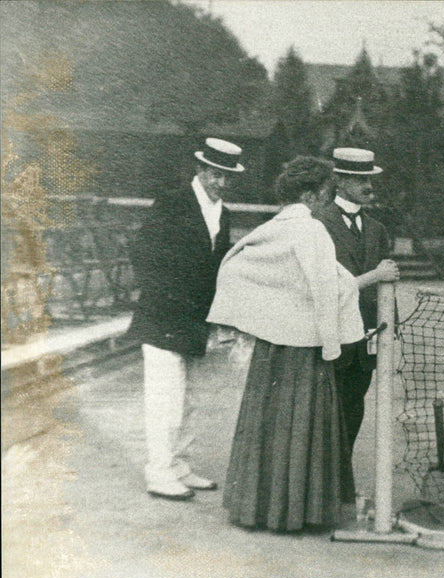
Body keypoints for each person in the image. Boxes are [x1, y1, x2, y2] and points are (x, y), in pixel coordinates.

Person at [206, 156, 364, 532]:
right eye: (326, 193)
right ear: (310, 194)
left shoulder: (270, 229)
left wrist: (260, 314)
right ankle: (295, 514)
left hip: (271, 351)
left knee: (267, 425)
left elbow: (232, 267)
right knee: (300, 427)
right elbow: (325, 289)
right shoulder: (311, 232)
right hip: (304, 352)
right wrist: (332, 346)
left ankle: (259, 510)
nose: (328, 200)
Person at [127, 137, 243, 500]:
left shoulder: (223, 212)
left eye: (226, 177)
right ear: (200, 169)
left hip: (195, 320)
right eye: (215, 175)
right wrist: (166, 297)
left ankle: (179, 464)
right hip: (162, 316)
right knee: (165, 400)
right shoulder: (173, 202)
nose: (220, 183)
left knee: (189, 399)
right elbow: (143, 252)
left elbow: (218, 266)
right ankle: (159, 472)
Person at [312, 147, 400, 472]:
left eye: (370, 178)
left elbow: (383, 289)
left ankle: (340, 480)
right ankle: (320, 485)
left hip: (364, 336)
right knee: (324, 410)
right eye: (360, 178)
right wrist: (375, 276)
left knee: (353, 406)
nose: (368, 185)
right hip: (330, 334)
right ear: (340, 180)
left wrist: (391, 328)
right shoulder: (318, 222)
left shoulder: (376, 228)